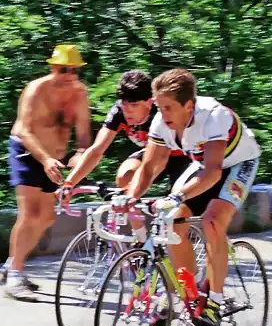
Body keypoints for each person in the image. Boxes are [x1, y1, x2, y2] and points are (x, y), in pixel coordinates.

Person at [117, 68, 261, 326]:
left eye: (169, 108)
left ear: (189, 105)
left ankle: (214, 303)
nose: (163, 115)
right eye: (159, 107)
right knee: (171, 220)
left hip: (236, 164)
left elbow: (213, 172)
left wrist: (177, 196)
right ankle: (186, 293)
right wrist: (129, 197)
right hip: (202, 164)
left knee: (213, 221)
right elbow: (149, 168)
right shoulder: (163, 122)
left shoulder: (213, 117)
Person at [2, 44, 92, 300]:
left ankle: (13, 263)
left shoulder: (79, 93)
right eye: (64, 69)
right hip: (28, 153)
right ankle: (15, 276)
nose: (69, 75)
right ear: (53, 67)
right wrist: (45, 159)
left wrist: (81, 152)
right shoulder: (36, 89)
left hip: (54, 160)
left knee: (48, 218)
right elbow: (23, 130)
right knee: (30, 213)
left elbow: (84, 133)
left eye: (74, 70)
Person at [61, 70, 192, 243]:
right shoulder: (119, 112)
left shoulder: (160, 115)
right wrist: (69, 183)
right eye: (124, 104)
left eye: (134, 105)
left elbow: (159, 162)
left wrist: (133, 193)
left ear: (148, 102)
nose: (127, 110)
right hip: (152, 152)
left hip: (182, 157)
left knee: (177, 220)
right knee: (124, 177)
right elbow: (96, 150)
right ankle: (141, 241)